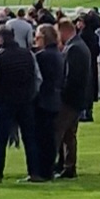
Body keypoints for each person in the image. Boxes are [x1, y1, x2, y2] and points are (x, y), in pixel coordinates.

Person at [0, 24, 42, 183]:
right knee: (30, 138)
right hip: (25, 101)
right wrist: (30, 95)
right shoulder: (28, 55)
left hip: (4, 101)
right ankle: (34, 172)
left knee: (0, 140)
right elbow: (38, 79)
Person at [56, 17, 92, 179]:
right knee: (69, 135)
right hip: (76, 98)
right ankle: (68, 167)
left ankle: (61, 166)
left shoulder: (74, 48)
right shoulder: (78, 46)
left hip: (70, 99)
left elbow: (71, 77)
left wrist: (61, 93)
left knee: (61, 133)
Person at [32, 24, 63, 182]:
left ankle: (41, 171)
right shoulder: (58, 54)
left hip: (42, 101)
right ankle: (48, 170)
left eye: (37, 38)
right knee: (49, 137)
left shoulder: (42, 56)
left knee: (41, 138)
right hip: (55, 99)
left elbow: (37, 80)